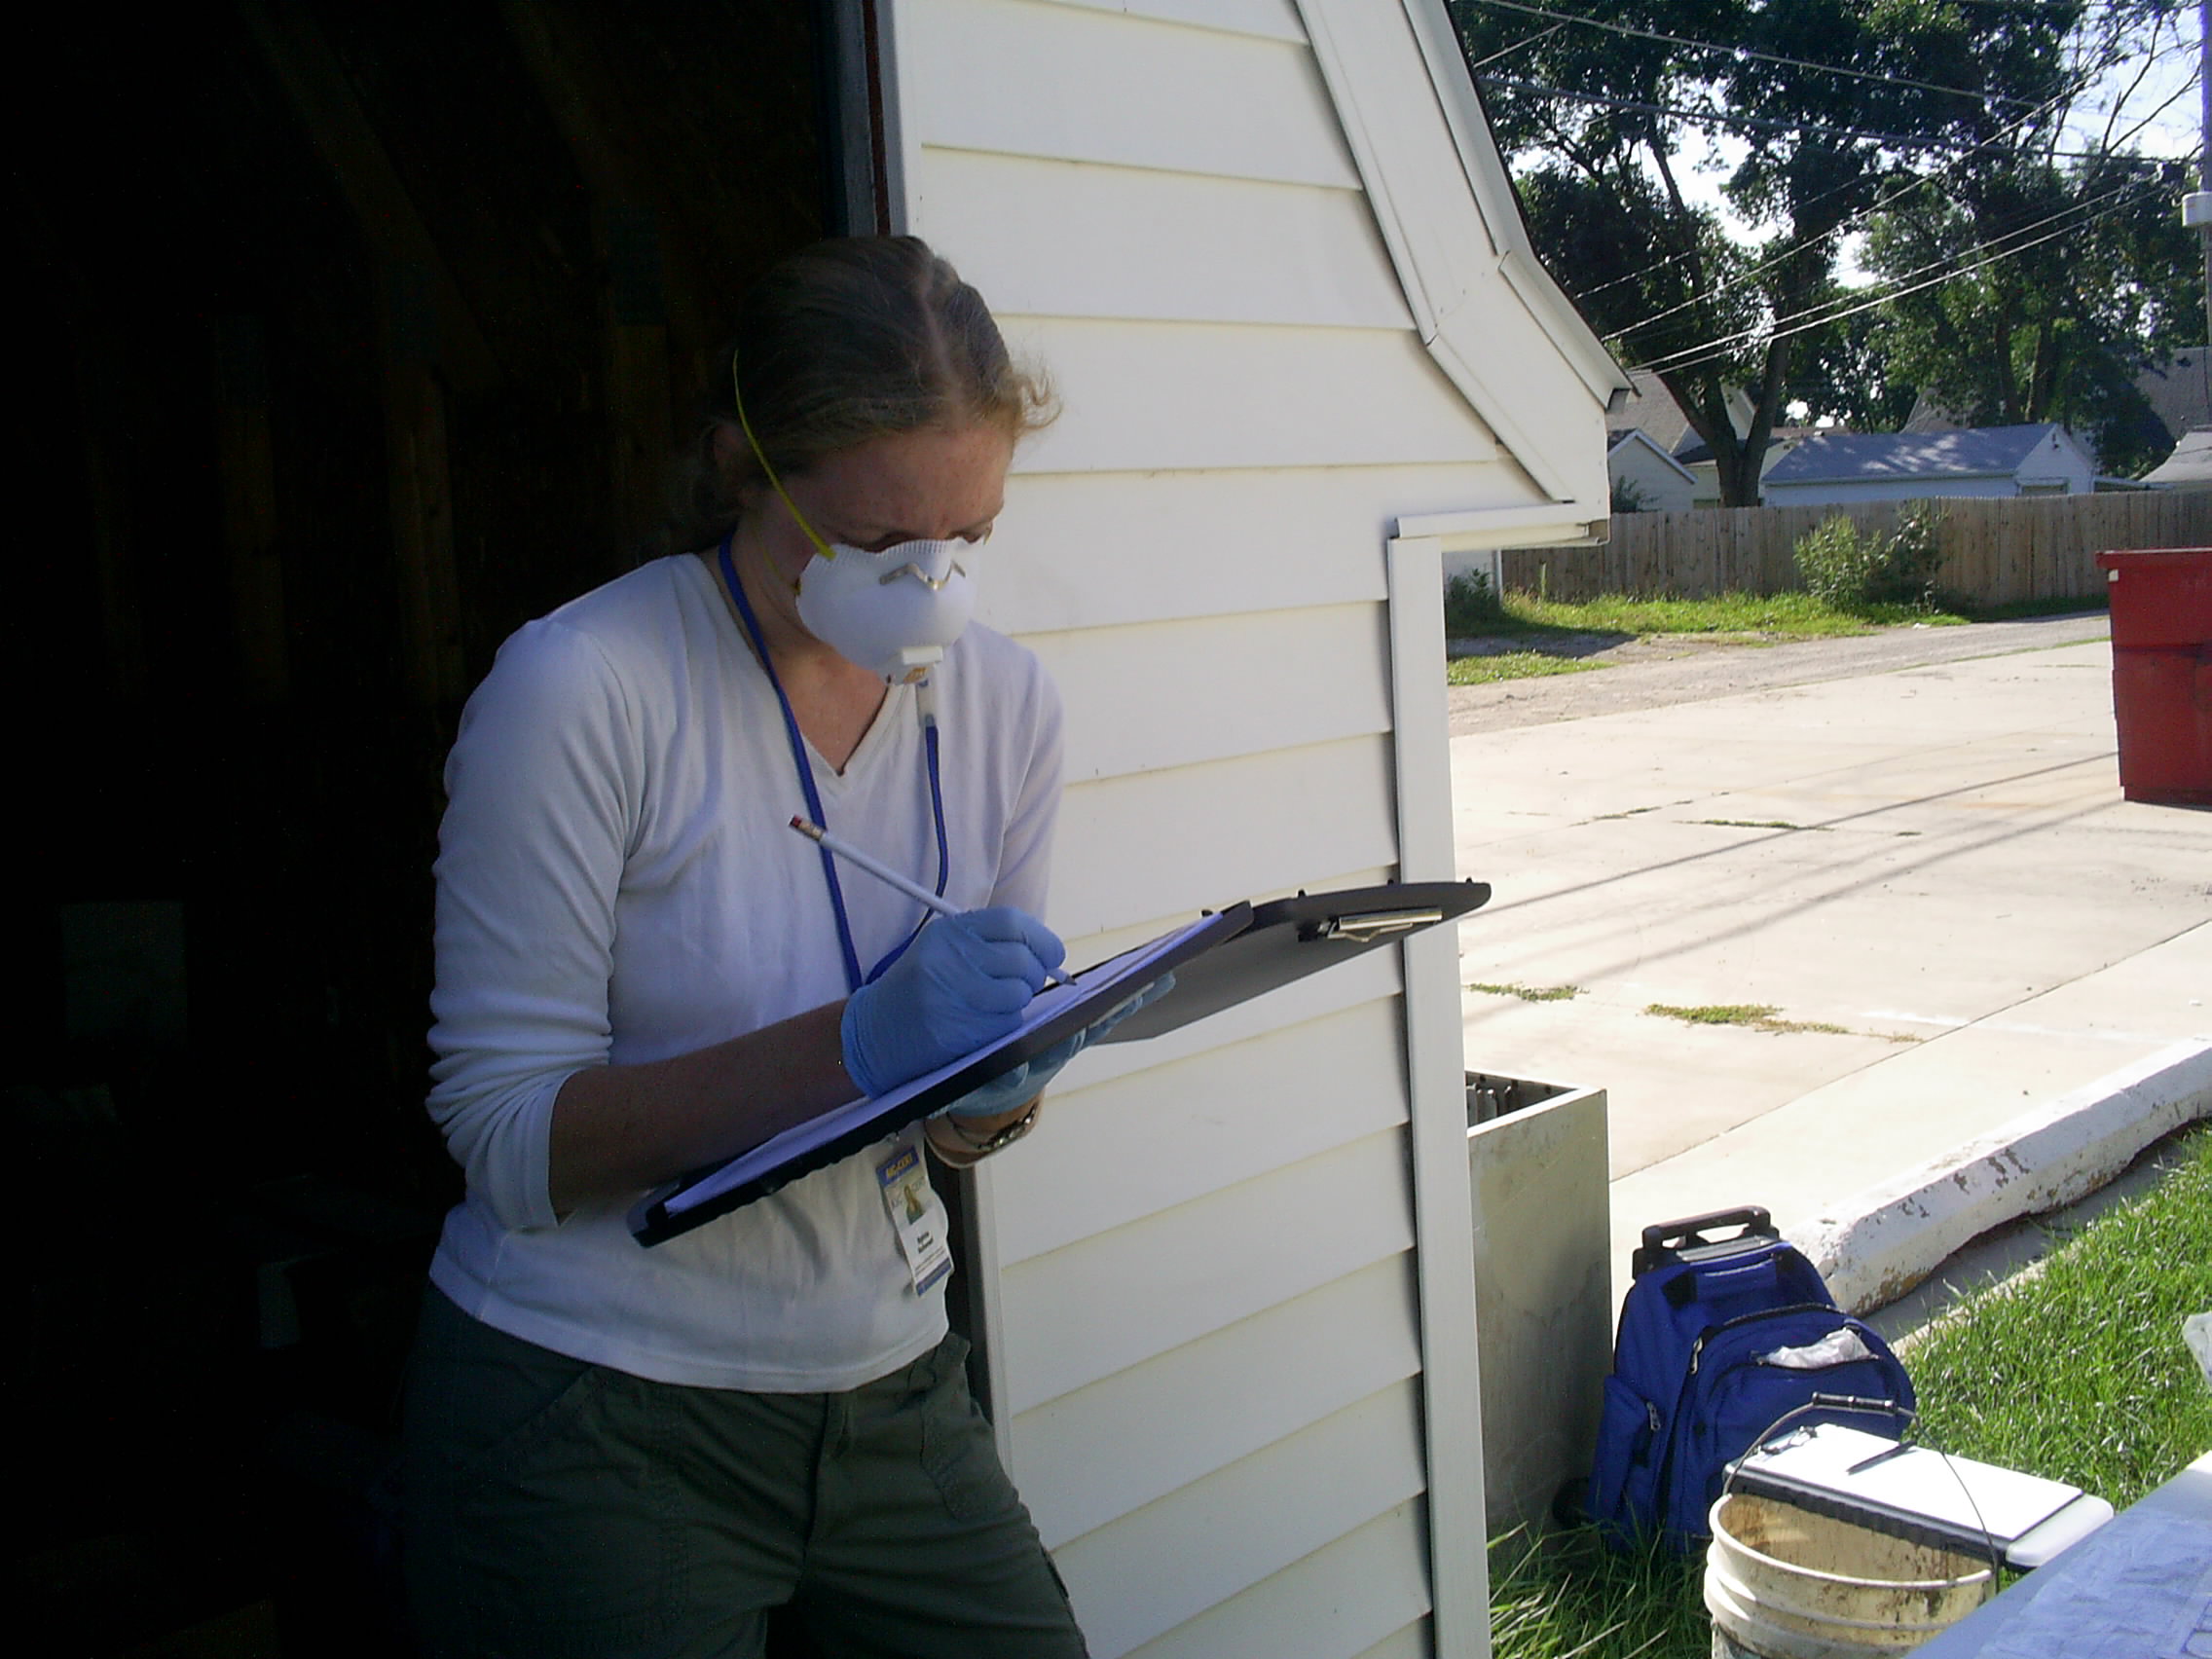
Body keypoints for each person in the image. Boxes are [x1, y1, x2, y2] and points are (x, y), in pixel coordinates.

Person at [403, 237, 1115, 1658]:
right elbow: (506, 1137)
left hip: (891, 1378)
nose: (926, 593)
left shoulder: (1007, 706)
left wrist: (996, 1092)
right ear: (748, 468)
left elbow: (964, 1124)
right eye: (872, 546)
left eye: (962, 543)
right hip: (593, 1400)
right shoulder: (581, 688)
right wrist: (853, 1050)